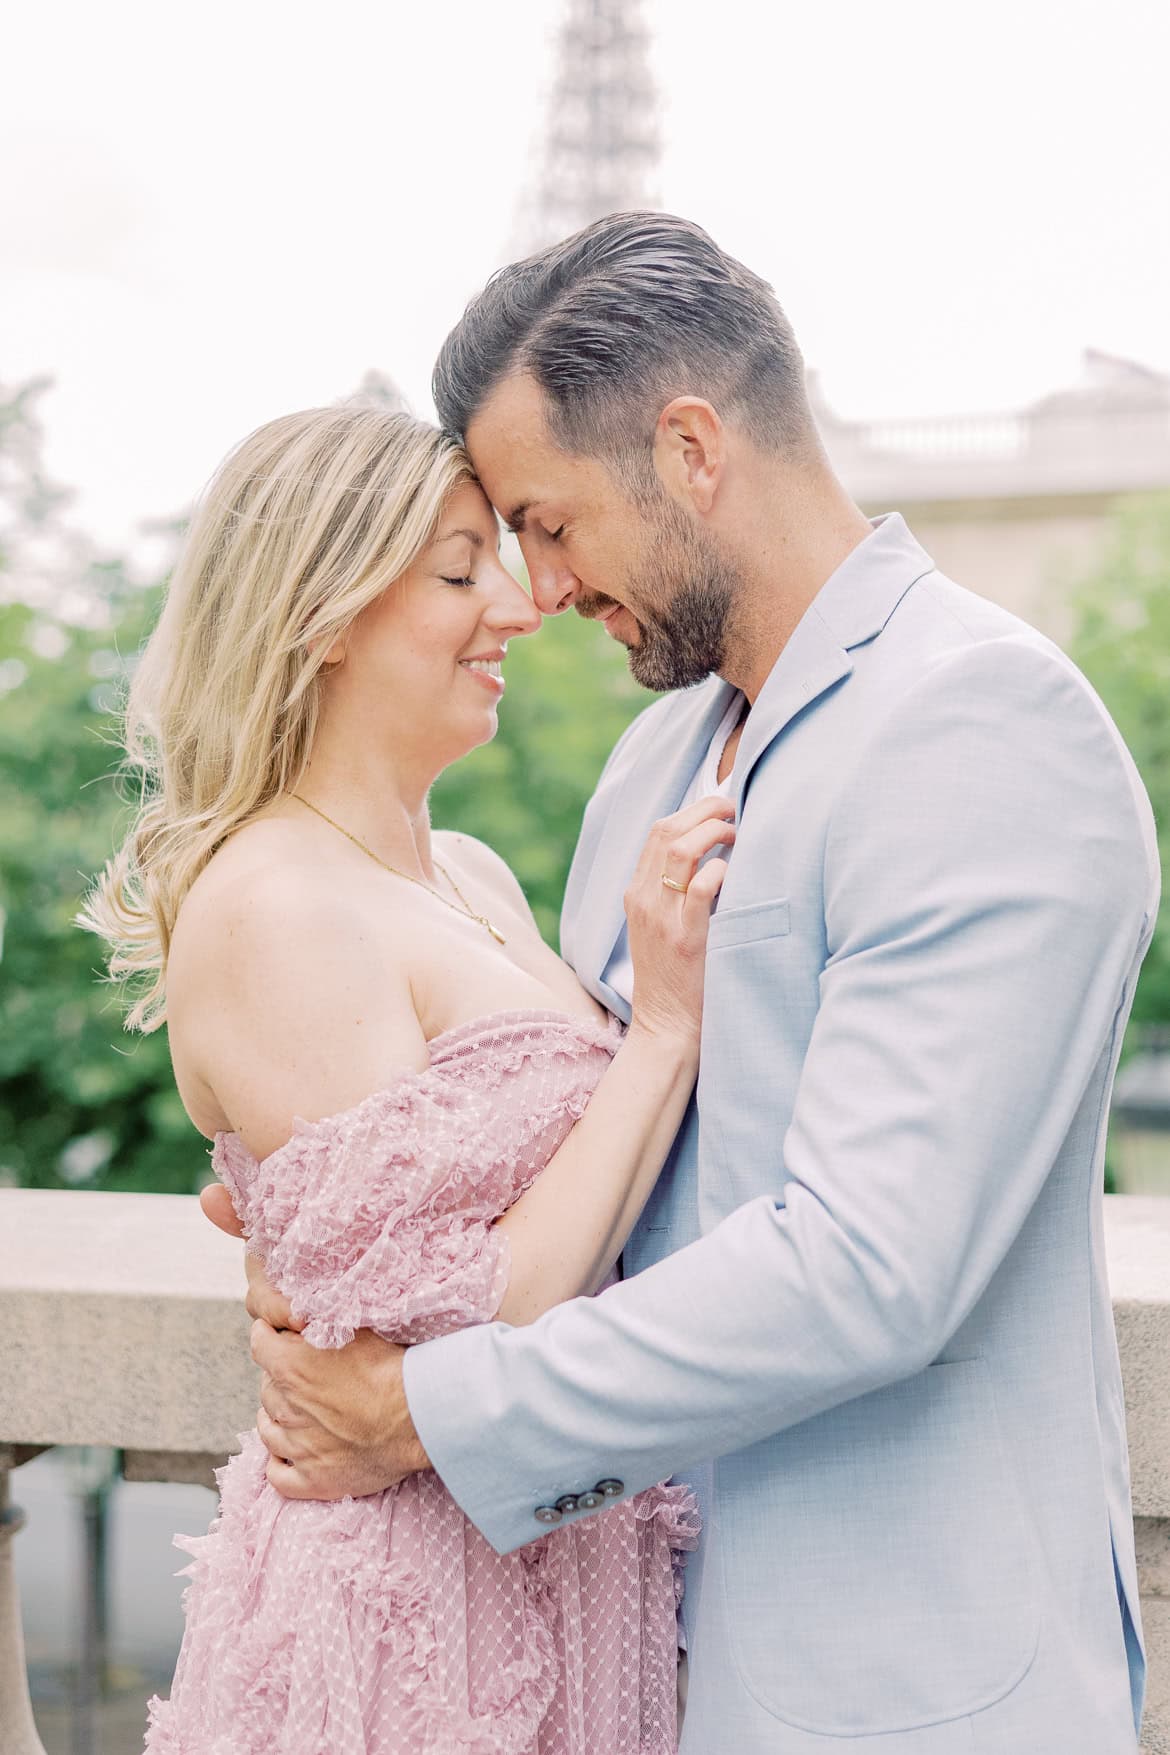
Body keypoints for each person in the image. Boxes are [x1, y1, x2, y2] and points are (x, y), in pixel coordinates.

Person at [218, 214, 1162, 1754]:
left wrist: (424, 1414)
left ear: (689, 449)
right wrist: (339, 1201)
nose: (537, 589)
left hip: (904, 1693)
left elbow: (870, 1264)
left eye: (549, 523)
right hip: (627, 1670)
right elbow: (589, 1148)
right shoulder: (651, 762)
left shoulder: (985, 724)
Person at [83, 403, 735, 1752]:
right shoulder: (275, 905)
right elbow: (472, 1323)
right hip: (414, 1624)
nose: (518, 606)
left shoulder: (471, 875)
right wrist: (667, 1030)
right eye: (456, 570)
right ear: (322, 615)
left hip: (554, 1553)